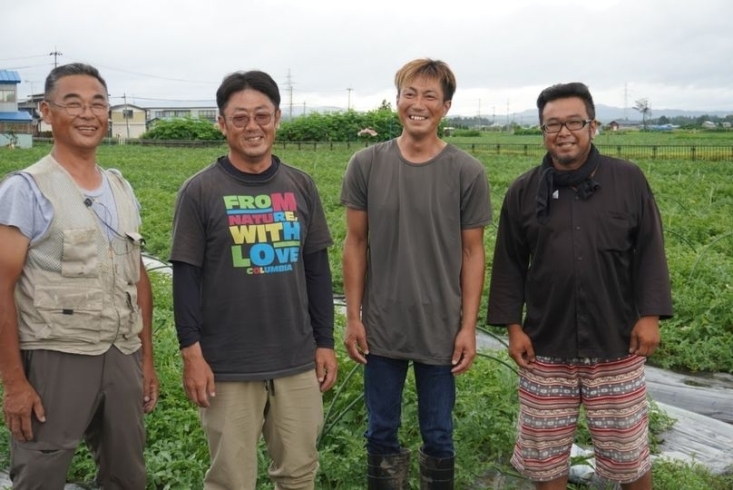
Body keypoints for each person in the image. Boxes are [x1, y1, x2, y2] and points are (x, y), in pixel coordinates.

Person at [487, 82, 673, 490]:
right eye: (553, 124)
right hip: (545, 345)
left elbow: (649, 250)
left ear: (593, 126)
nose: (564, 131)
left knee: (628, 454)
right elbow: (510, 264)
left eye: (574, 121)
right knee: (545, 457)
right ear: (542, 130)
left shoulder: (627, 180)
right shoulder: (522, 191)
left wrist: (649, 315)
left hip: (617, 339)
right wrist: (514, 328)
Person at [170, 70, 337, 490]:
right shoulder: (200, 191)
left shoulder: (300, 185)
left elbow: (317, 271)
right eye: (239, 118)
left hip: (296, 360)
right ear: (222, 124)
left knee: (299, 473)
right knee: (230, 479)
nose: (253, 127)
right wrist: (192, 353)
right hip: (226, 364)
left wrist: (325, 341)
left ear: (278, 118)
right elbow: (185, 278)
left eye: (262, 115)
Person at [0, 63, 158, 489]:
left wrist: (146, 359)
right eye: (73, 104)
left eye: (98, 104)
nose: (88, 114)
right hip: (55, 354)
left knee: (127, 470)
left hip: (120, 351)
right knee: (42, 471)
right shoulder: (26, 189)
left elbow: (137, 276)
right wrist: (14, 383)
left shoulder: (120, 186)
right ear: (47, 114)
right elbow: (1, 287)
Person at [341, 58, 492, 489]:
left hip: (441, 328)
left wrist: (468, 327)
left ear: (445, 107)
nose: (418, 104)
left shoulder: (466, 171)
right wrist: (354, 317)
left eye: (430, 96)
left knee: (439, 435)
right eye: (410, 93)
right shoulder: (366, 164)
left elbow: (472, 251)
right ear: (397, 102)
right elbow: (355, 243)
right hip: (381, 326)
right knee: (380, 431)